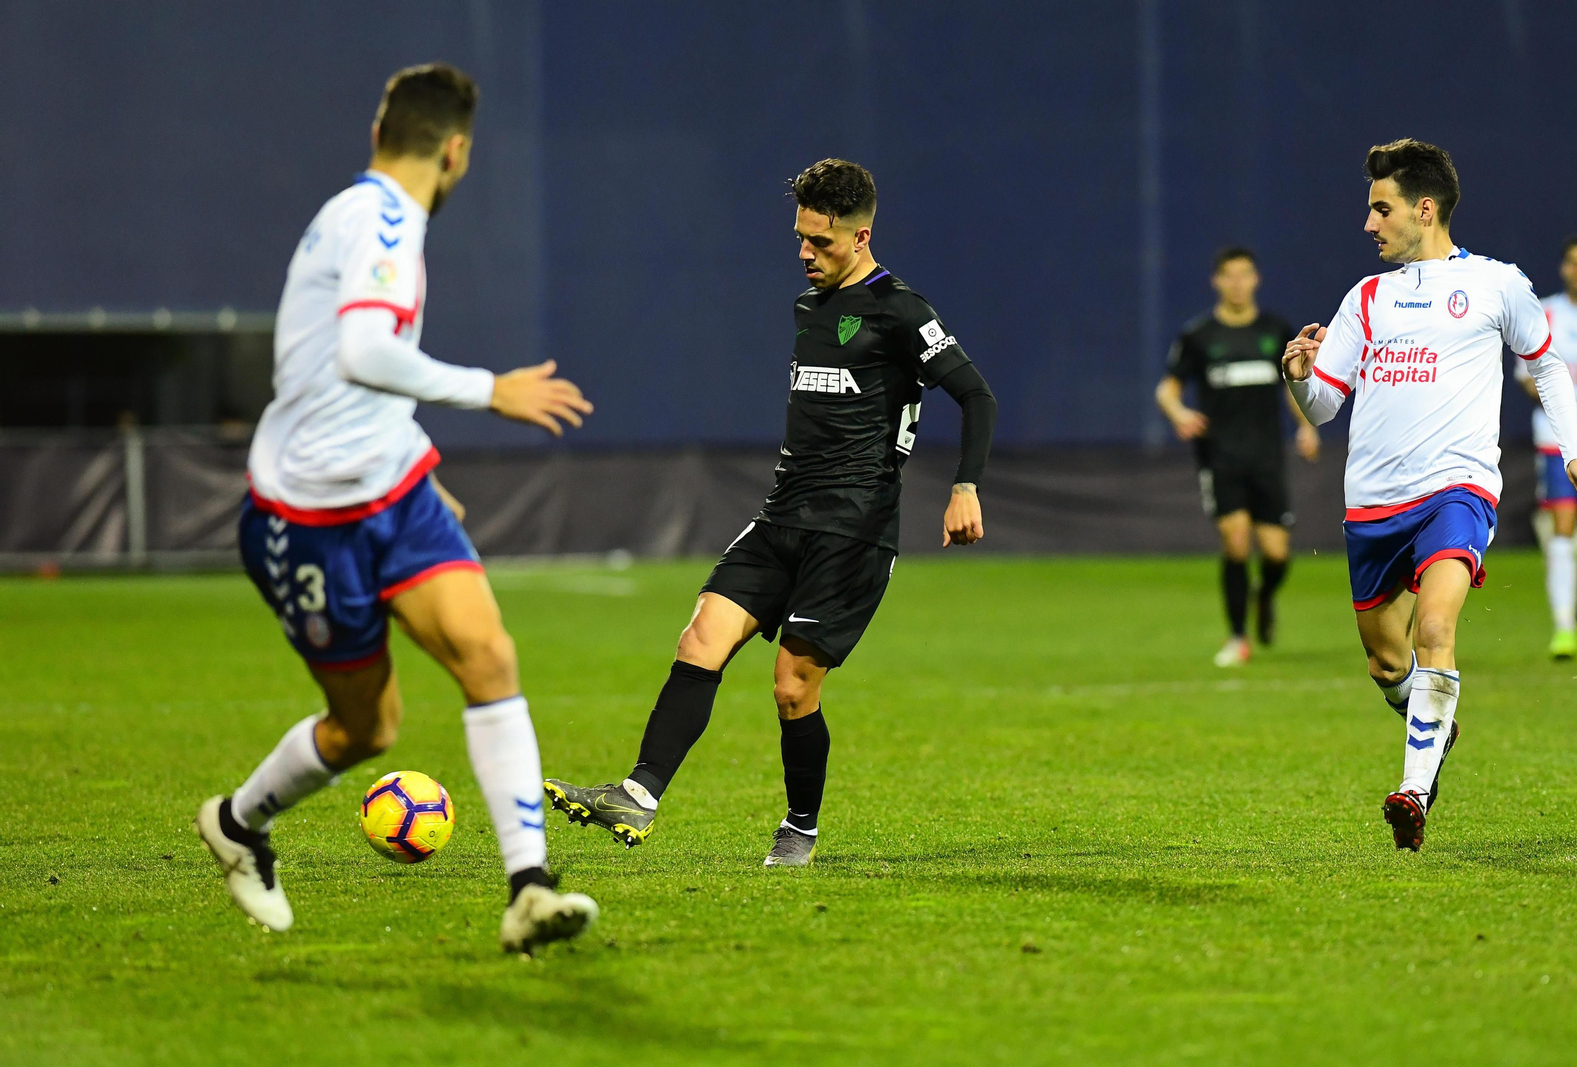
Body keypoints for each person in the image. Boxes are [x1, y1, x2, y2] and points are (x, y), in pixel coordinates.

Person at [194, 64, 600, 950]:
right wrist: (491, 390)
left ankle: (529, 888)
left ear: (379, 134)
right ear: (457, 152)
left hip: (394, 490)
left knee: (488, 655)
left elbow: (335, 372)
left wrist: (406, 452)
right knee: (366, 727)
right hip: (308, 518)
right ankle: (236, 822)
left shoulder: (358, 213)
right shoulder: (383, 222)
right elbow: (363, 353)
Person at [543, 159, 997, 867]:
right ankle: (638, 793)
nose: (805, 253)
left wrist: (965, 486)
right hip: (782, 514)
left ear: (861, 236)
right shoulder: (809, 307)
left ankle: (800, 828)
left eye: (820, 241)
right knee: (700, 638)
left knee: (792, 687)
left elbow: (977, 396)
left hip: (852, 529)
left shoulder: (902, 310)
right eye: (800, 238)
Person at [1282, 139, 1577, 851]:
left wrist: (1575, 456)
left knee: (1435, 630)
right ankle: (1434, 722)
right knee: (1386, 663)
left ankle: (1413, 791)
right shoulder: (1365, 298)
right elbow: (1324, 407)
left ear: (1424, 210)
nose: (1369, 223)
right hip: (1372, 503)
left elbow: (1547, 366)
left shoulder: (1496, 284)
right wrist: (1298, 375)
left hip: (1457, 490)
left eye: (1381, 208)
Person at [1156, 248, 1320, 667]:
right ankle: (1237, 637)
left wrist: (1306, 427)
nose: (1237, 283)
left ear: (1256, 279)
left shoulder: (1274, 330)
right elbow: (1167, 390)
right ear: (1216, 281)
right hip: (1220, 455)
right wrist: (1179, 413)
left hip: (1266, 455)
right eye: (1228, 276)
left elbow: (1291, 385)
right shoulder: (1199, 335)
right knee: (1235, 540)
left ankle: (1263, 595)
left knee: (1277, 553)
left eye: (1244, 275)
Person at [1514, 235, 1577, 660]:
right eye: (1573, 262)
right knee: (1563, 528)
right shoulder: (1545, 312)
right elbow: (1526, 374)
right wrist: (1550, 388)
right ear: (1564, 268)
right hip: (1559, 443)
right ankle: (1563, 628)